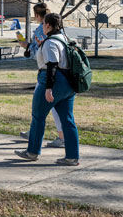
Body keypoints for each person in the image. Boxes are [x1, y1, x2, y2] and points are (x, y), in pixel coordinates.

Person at [15, 13, 80, 166]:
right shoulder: (63, 39)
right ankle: (72, 156)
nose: (42, 25)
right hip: (68, 84)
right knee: (68, 120)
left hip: (51, 81)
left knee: (38, 117)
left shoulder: (50, 43)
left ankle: (32, 152)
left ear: (48, 25)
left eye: (43, 23)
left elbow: (52, 65)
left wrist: (48, 89)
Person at [18, 3, 65, 148]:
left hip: (48, 73)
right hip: (59, 73)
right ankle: (35, 132)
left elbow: (40, 51)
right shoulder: (58, 29)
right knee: (52, 108)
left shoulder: (42, 30)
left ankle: (55, 138)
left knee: (44, 107)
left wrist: (26, 46)